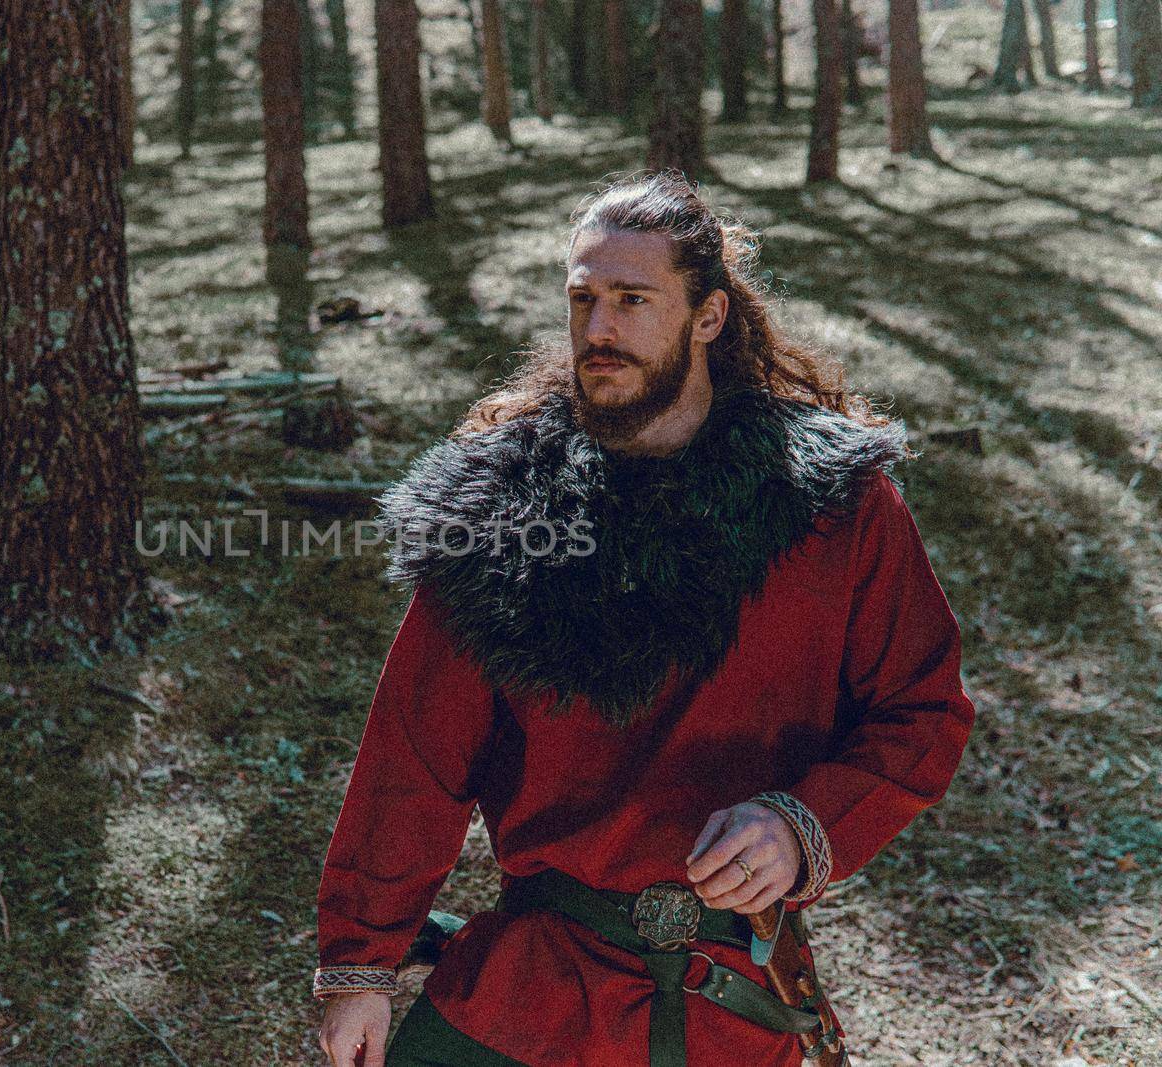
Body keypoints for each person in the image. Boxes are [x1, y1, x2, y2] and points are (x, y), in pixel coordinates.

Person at [311, 170, 976, 1067]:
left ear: (707, 316)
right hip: (536, 987)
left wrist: (803, 824)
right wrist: (361, 965)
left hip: (734, 998)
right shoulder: (501, 511)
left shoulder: (835, 509)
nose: (599, 329)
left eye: (632, 299)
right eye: (583, 299)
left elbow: (921, 709)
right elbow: (413, 757)